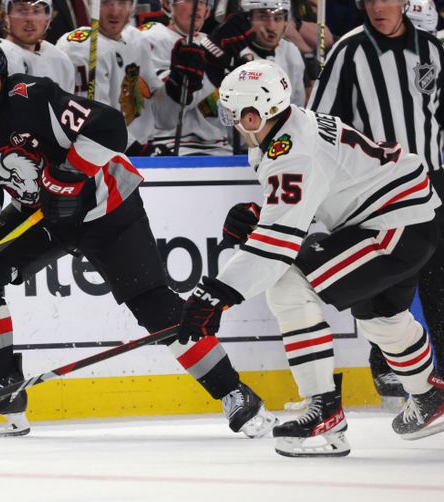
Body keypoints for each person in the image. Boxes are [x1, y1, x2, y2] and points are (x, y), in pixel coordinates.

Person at [0, 37, 277, 438]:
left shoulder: (34, 97)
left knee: (153, 306)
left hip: (106, 207)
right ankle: (5, 398)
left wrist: (69, 173)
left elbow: (110, 125)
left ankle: (234, 392)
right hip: (43, 215)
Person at [174, 59, 443, 457]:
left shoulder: (290, 152)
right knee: (379, 316)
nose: (230, 121)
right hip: (409, 216)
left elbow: (276, 248)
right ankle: (430, 397)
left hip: (394, 226)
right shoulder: (288, 126)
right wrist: (262, 215)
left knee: (287, 282)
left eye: (234, 113)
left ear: (256, 112)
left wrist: (215, 296)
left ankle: (324, 410)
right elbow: (314, 201)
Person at [309, 0, 444, 401]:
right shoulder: (349, 50)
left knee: (440, 286)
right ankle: (387, 362)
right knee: (389, 281)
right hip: (381, 189)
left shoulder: (433, 51)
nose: (377, 7)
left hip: (435, 183)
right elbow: (320, 123)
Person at [56, 0, 161, 151]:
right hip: (99, 154)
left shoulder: (138, 39)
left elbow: (161, 111)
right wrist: (140, 151)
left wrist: (177, 84)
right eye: (106, 3)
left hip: (144, 144)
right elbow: (97, 121)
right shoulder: (81, 46)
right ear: (92, 5)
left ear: (132, 6)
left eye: (122, 3)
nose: (115, 12)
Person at [139, 0, 232, 155]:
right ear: (168, 5)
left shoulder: (210, 43)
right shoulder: (150, 37)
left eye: (203, 2)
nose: (198, 7)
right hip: (166, 147)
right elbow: (162, 108)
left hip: (220, 148)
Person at [205, 0, 305, 106]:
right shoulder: (223, 50)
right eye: (263, 17)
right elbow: (206, 111)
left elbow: (296, 111)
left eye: (278, 18)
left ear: (286, 21)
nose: (271, 27)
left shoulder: (290, 52)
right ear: (247, 19)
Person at [0, 0, 75, 93]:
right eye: (21, 10)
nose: (30, 18)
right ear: (5, 16)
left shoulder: (61, 60)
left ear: (48, 18)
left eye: (37, 11)